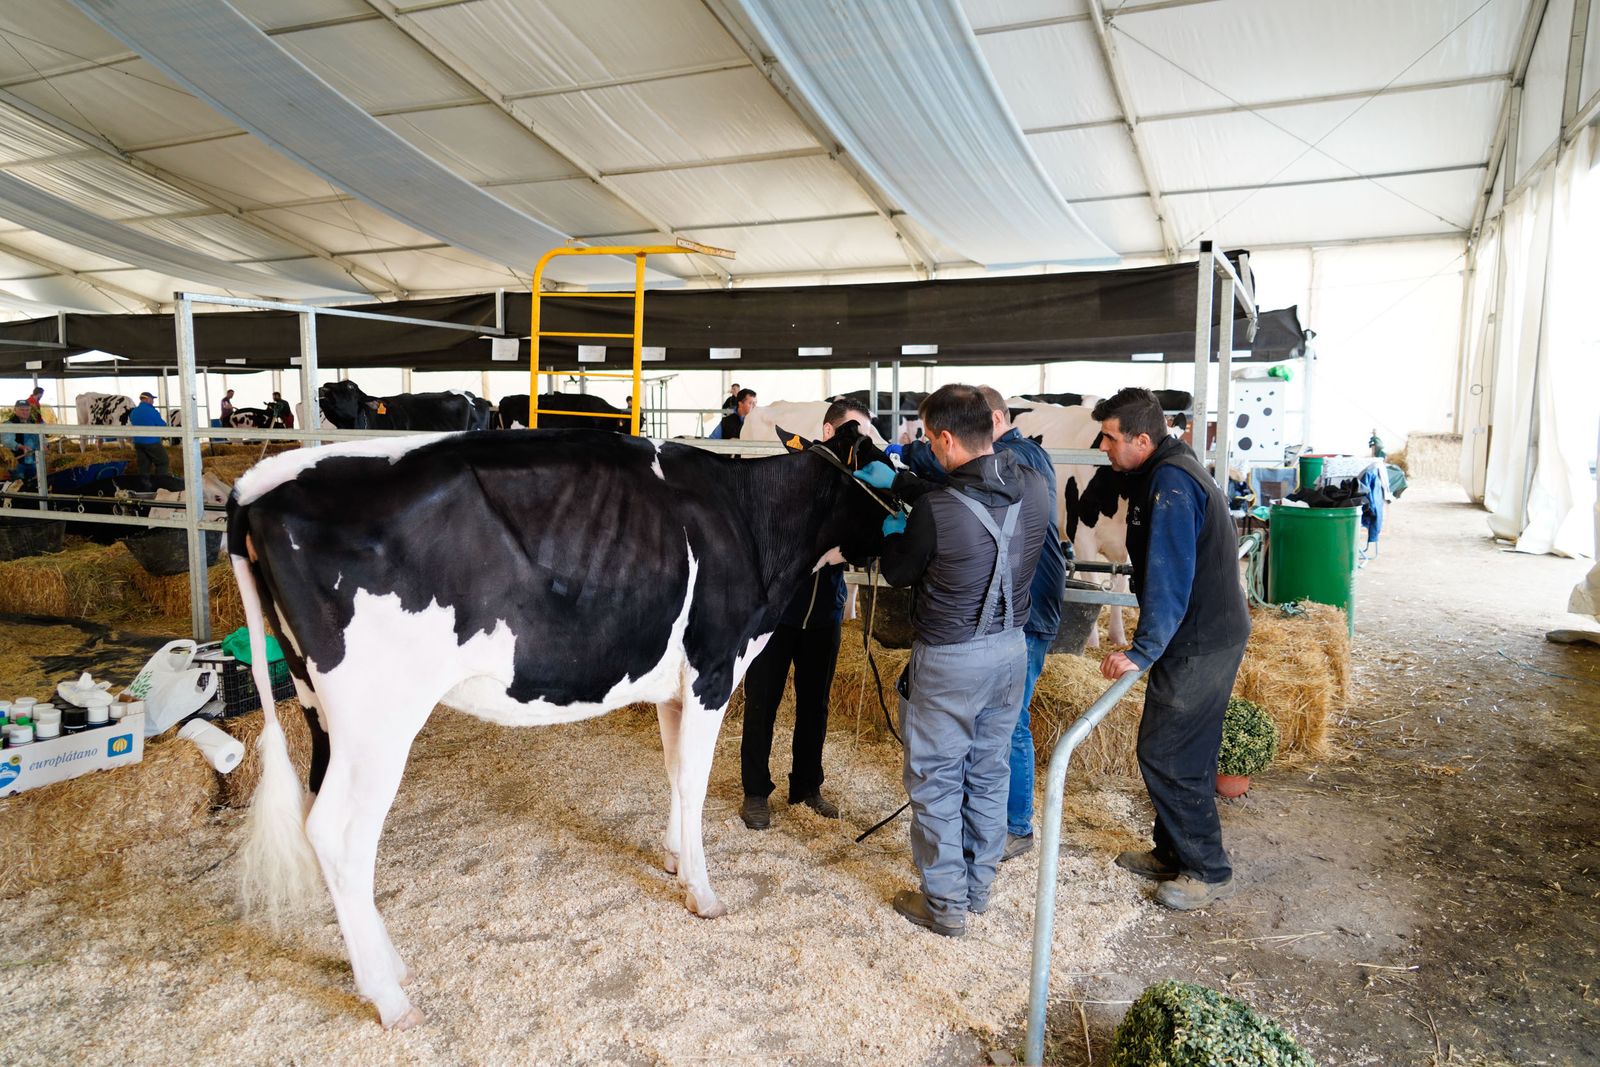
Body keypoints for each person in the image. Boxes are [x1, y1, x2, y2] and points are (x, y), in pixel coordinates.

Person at [864, 384, 1052, 938]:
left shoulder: (936, 511)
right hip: (1010, 650)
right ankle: (978, 888)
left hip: (949, 660)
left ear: (944, 438)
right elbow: (971, 493)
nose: (928, 446)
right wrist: (911, 487)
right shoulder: (1035, 486)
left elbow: (898, 572)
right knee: (988, 772)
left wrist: (894, 529)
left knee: (937, 780)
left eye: (928, 438)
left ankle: (944, 904)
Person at [1093, 388, 1251, 911]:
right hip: (1200, 631)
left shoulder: (1172, 483)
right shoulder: (1162, 471)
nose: (1103, 446)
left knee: (1167, 752)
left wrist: (1142, 650)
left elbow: (1169, 575)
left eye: (1110, 437)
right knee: (1187, 750)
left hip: (1199, 638)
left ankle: (1208, 869)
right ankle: (1173, 852)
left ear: (1142, 439)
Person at [737, 396, 872, 830]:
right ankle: (756, 791)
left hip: (825, 612)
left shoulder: (856, 483)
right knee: (762, 702)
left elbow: (862, 542)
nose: (859, 444)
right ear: (829, 432)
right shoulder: (790, 471)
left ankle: (807, 787)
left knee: (815, 704)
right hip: (776, 612)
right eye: (852, 433)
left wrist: (845, 551)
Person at [974, 386, 1065, 863]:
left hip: (1028, 607)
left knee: (1012, 721)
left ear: (992, 419)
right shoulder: (1025, 451)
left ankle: (1016, 827)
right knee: (1001, 718)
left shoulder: (1011, 457)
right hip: (1024, 602)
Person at [128, 390, 171, 477]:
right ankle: (160, 484)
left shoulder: (133, 412)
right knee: (163, 462)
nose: (153, 401)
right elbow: (161, 425)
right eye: (152, 399)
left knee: (144, 466)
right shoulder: (152, 411)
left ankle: (145, 487)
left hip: (138, 443)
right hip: (151, 442)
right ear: (146, 399)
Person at [2, 399, 41, 481]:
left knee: (34, 484)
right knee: (19, 484)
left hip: (34, 461)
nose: (25, 412)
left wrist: (44, 445)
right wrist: (21, 447)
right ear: (15, 410)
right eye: (22, 410)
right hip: (17, 462)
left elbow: (39, 437)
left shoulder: (33, 424)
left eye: (27, 410)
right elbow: (7, 440)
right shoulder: (9, 424)